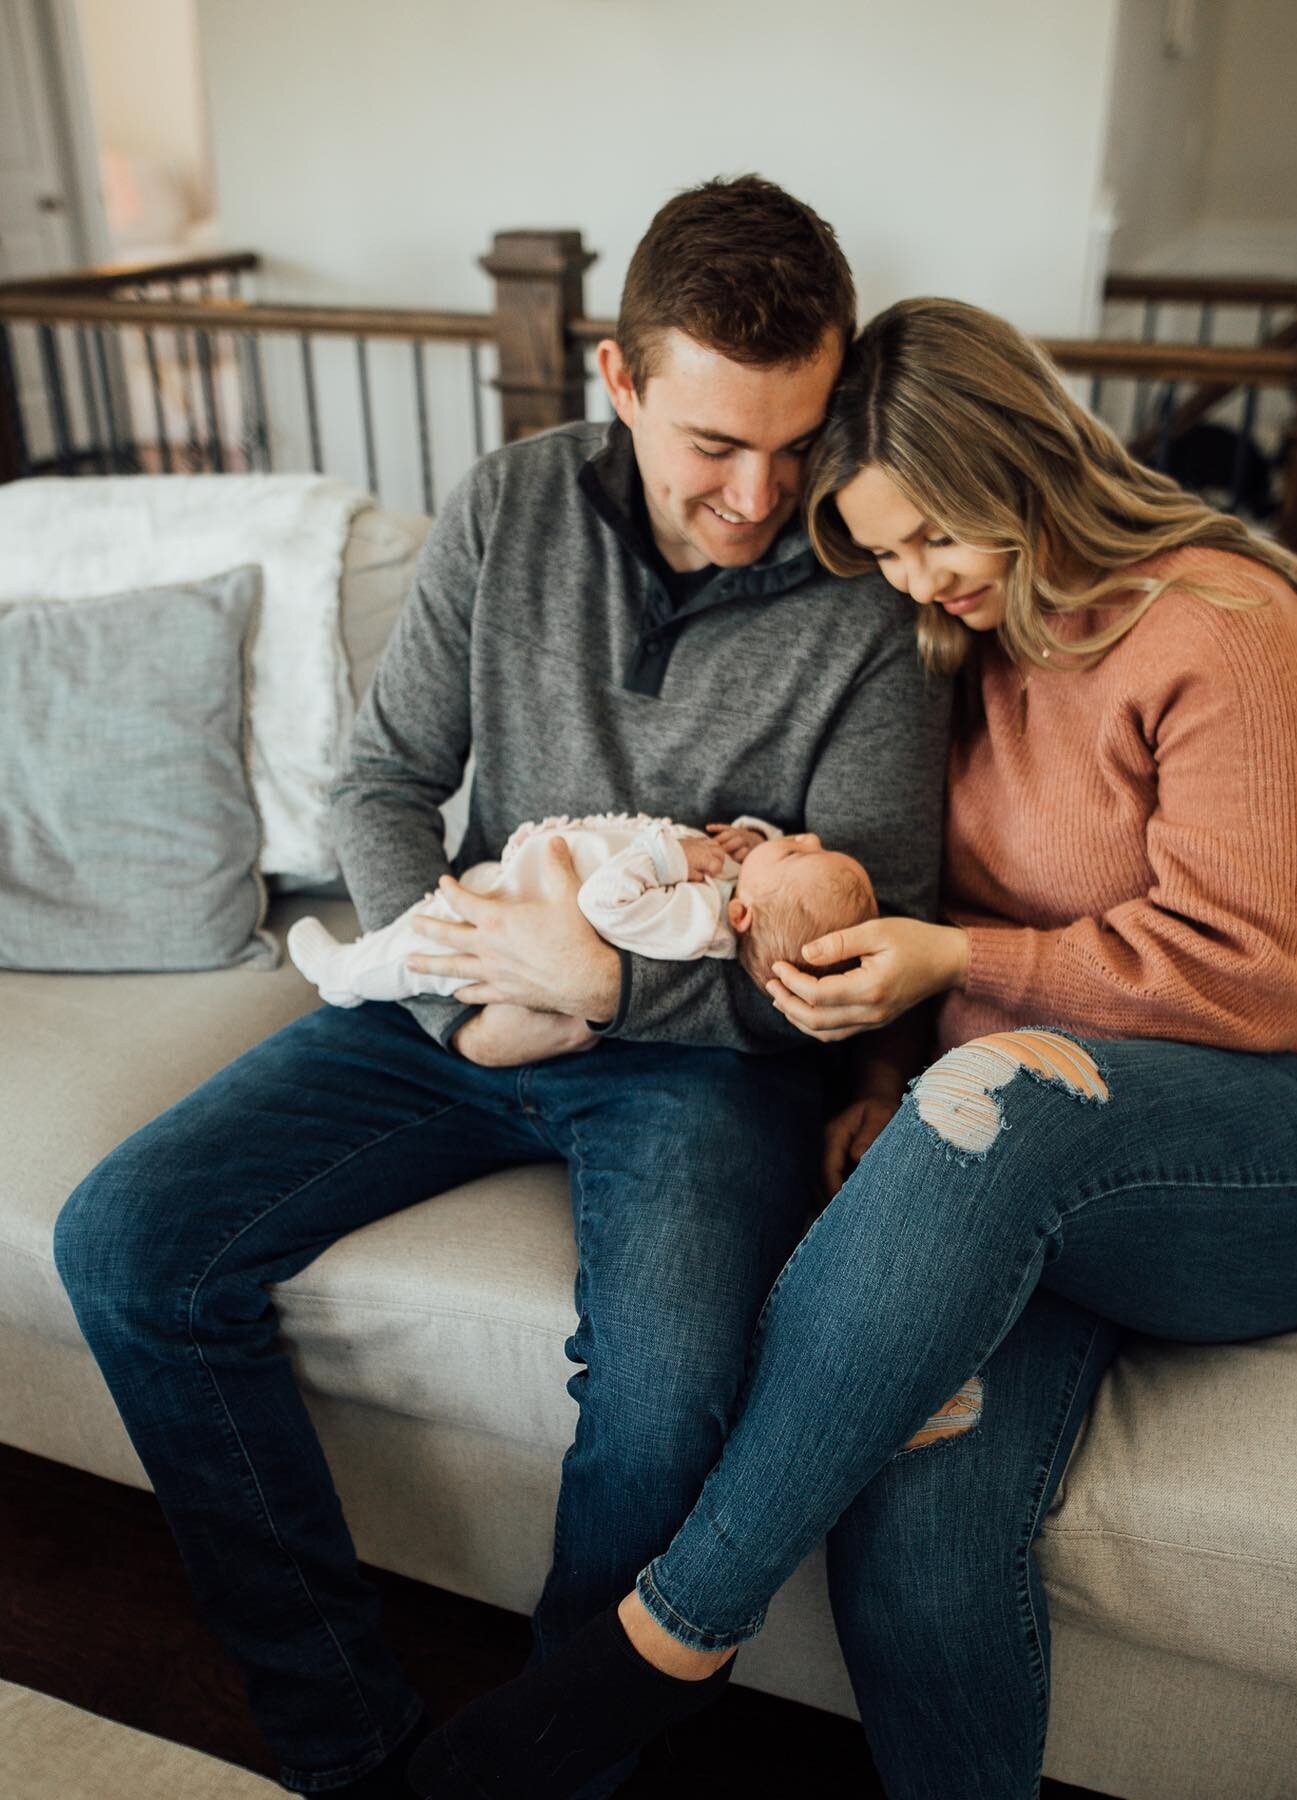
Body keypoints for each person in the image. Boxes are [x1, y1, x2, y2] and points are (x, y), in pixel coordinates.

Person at [406, 297, 1297, 1800]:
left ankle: (670, 1634)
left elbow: (1254, 980)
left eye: (936, 536)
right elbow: (927, 913)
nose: (916, 581)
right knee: (920, 1511)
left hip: (1292, 1145)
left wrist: (961, 975)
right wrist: (879, 1082)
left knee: (996, 1088)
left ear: (1023, 460)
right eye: (883, 551)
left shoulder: (1219, 623)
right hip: (1039, 1171)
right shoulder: (960, 651)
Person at [50, 180, 951, 1799]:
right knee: (124, 1245)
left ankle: (549, 1771)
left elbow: (874, 947)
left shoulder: (866, 597)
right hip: (456, 1002)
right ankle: (357, 1751)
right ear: (619, 379)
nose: (758, 495)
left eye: (795, 441)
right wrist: (453, 977)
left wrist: (609, 989)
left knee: (669, 1400)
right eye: (712, 446)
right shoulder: (510, 502)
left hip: (706, 1064)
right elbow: (386, 778)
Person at [287, 813, 877, 1062]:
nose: (809, 838)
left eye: (797, 855)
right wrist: (756, 838)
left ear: (743, 916)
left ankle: (344, 975)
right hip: (520, 891)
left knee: (426, 953)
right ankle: (362, 962)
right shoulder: (734, 887)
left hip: (523, 919)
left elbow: (607, 902)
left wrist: (668, 856)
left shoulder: (700, 916)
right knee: (431, 921)